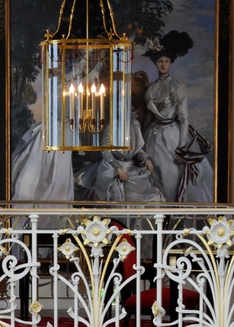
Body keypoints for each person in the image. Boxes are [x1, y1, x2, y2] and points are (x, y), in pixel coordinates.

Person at [143, 29, 214, 204]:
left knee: (171, 177)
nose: (163, 65)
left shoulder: (177, 86)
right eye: (160, 61)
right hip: (153, 135)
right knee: (151, 176)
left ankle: (174, 217)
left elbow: (184, 118)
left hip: (172, 135)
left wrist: (182, 147)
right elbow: (151, 116)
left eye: (166, 61)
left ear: (171, 63)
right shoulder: (151, 88)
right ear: (155, 63)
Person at [85, 70, 164, 204]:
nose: (124, 109)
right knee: (116, 191)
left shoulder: (134, 124)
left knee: (150, 189)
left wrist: (145, 159)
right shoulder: (112, 126)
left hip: (130, 166)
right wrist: (117, 167)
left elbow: (137, 148)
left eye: (127, 106)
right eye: (120, 106)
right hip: (110, 166)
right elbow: (105, 150)